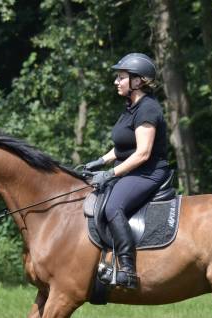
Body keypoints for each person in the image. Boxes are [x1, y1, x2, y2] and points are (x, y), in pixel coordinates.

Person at [84, 53, 170, 289]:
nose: (116, 82)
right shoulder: (131, 108)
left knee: (113, 206)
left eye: (121, 77)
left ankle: (128, 270)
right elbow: (123, 147)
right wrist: (99, 161)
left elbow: (142, 153)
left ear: (138, 81)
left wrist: (111, 174)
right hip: (133, 169)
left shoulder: (148, 109)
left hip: (148, 172)